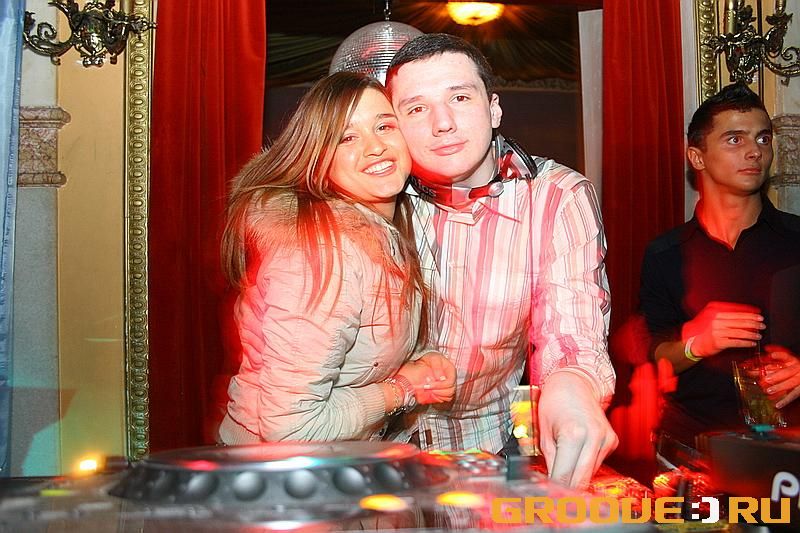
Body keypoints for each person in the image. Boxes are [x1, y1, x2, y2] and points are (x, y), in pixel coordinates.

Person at [383, 34, 617, 489]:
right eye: (417, 108)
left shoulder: (555, 197)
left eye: (459, 97)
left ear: (493, 109)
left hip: (487, 453)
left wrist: (571, 387)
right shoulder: (374, 197)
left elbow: (570, 327)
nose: (442, 123)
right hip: (378, 455)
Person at [218, 72, 455, 444]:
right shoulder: (321, 250)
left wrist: (421, 357)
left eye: (384, 126)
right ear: (318, 158)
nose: (375, 147)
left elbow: (358, 340)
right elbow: (292, 428)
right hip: (277, 472)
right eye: (347, 137)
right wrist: (404, 388)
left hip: (330, 465)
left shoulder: (384, 229)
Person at [639, 83, 800, 451]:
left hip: (789, 453)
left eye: (763, 138)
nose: (755, 151)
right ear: (697, 157)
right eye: (734, 139)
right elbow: (654, 357)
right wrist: (697, 343)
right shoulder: (666, 254)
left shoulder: (796, 240)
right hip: (694, 448)